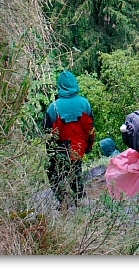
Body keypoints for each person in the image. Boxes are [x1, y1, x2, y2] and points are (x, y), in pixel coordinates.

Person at [43, 70, 95, 208]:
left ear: (60, 85)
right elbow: (90, 129)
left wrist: (50, 154)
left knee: (53, 174)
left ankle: (64, 200)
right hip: (79, 145)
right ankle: (80, 198)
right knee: (75, 171)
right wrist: (89, 146)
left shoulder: (53, 108)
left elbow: (48, 135)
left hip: (61, 147)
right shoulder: (85, 103)